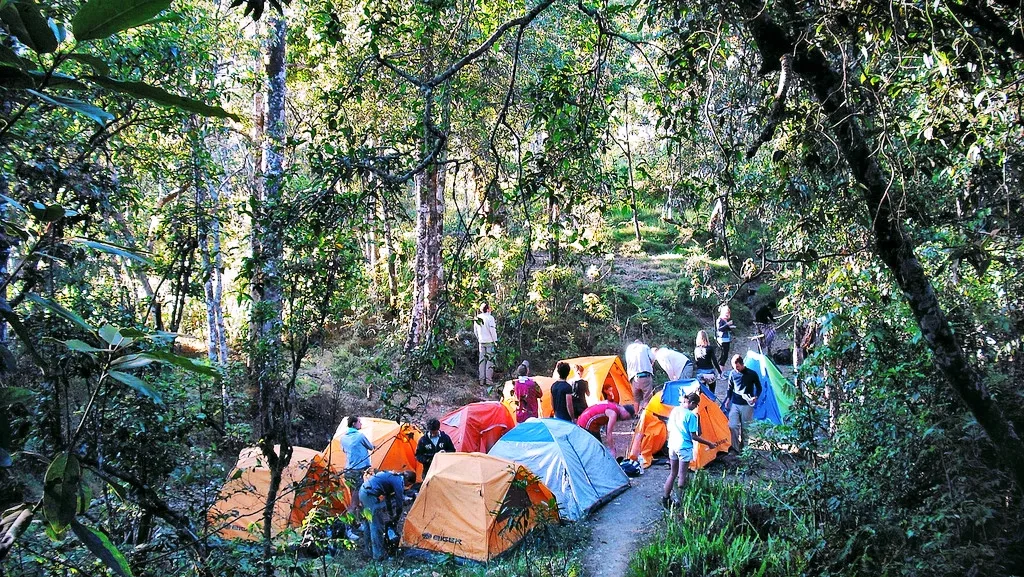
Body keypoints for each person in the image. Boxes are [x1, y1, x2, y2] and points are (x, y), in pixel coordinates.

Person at [663, 392, 720, 509]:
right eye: (696, 405)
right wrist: (709, 443)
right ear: (692, 403)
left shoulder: (675, 411)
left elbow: (669, 428)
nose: (696, 407)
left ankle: (665, 498)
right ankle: (679, 502)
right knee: (682, 475)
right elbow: (694, 436)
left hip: (672, 445)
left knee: (672, 473)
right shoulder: (691, 416)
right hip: (684, 447)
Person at [359, 470, 416, 560]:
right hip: (370, 495)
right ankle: (378, 556)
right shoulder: (398, 481)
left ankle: (368, 551)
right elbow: (399, 503)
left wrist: (391, 515)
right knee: (376, 526)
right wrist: (396, 519)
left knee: (367, 523)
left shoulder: (392, 477)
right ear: (408, 481)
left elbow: (388, 498)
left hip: (363, 492)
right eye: (408, 485)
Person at [340, 416, 374, 540]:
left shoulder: (343, 437)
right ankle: (347, 530)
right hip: (356, 472)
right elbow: (370, 447)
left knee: (356, 499)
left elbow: (345, 450)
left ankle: (357, 523)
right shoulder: (360, 436)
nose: (361, 424)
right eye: (359, 422)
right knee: (354, 503)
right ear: (354, 423)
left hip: (348, 471)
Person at [724, 354, 762, 453]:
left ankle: (745, 449)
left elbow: (759, 387)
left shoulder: (751, 373)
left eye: (738, 367)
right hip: (735, 404)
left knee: (745, 428)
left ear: (742, 364)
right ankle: (735, 449)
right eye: (734, 367)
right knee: (732, 425)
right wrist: (728, 399)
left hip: (747, 404)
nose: (736, 369)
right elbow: (730, 387)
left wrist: (756, 397)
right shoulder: (732, 374)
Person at [624, 339, 655, 415]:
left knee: (636, 399)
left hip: (634, 378)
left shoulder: (628, 350)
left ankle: (636, 414)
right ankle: (644, 415)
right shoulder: (644, 347)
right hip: (645, 376)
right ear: (640, 343)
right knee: (647, 398)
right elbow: (652, 358)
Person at [474, 303, 498, 387]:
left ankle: (481, 380)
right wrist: (495, 341)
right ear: (487, 309)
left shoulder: (477, 318)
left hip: (481, 342)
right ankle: (488, 380)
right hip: (490, 342)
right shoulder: (490, 318)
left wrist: (479, 339)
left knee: (482, 361)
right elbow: (492, 331)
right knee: (490, 361)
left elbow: (475, 331)